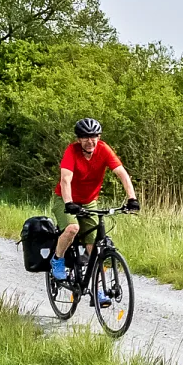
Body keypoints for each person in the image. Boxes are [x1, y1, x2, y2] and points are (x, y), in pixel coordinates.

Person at [50, 117, 139, 282]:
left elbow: (122, 174)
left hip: (89, 200)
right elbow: (65, 180)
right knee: (72, 228)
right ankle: (57, 259)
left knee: (93, 246)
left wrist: (132, 198)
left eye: (94, 137)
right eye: (85, 137)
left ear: (99, 137)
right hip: (65, 199)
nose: (90, 141)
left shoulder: (104, 150)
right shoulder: (72, 151)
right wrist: (69, 203)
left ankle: (99, 289)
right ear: (79, 139)